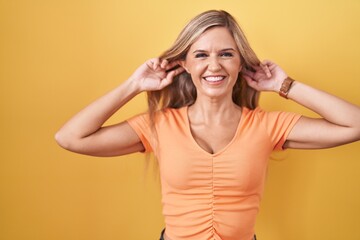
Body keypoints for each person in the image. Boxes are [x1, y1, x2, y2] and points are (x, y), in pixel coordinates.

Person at [55, 9, 360, 240]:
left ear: (240, 63)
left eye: (226, 54)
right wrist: (134, 85)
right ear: (184, 64)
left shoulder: (267, 125)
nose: (214, 65)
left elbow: (355, 125)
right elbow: (70, 137)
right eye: (201, 54)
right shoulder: (159, 125)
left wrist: (284, 84)